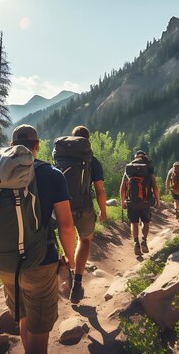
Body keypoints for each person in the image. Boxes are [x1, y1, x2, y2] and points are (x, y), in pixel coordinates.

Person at [0, 124, 76, 354]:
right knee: (40, 330)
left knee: (24, 315)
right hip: (40, 263)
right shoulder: (52, 175)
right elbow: (66, 226)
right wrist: (70, 257)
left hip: (4, 264)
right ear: (37, 146)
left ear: (12, 146)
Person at [66, 125, 107, 304]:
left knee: (66, 236)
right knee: (84, 240)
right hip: (84, 207)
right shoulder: (93, 161)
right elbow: (99, 190)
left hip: (62, 207)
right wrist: (103, 211)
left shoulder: (60, 158)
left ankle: (66, 267)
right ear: (87, 142)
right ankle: (77, 283)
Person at [120, 150, 160, 255]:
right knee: (145, 222)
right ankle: (144, 241)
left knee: (134, 222)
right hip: (145, 201)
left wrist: (122, 202)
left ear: (135, 157)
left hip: (131, 201)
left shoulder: (129, 169)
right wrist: (158, 201)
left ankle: (136, 243)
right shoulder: (148, 169)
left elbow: (122, 189)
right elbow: (155, 187)